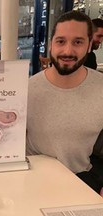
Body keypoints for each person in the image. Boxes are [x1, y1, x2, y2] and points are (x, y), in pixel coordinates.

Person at [26, 11, 103, 195]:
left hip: (83, 182)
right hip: (32, 183)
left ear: (89, 45)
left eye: (78, 42)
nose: (68, 51)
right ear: (51, 44)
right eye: (61, 41)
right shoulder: (26, 89)